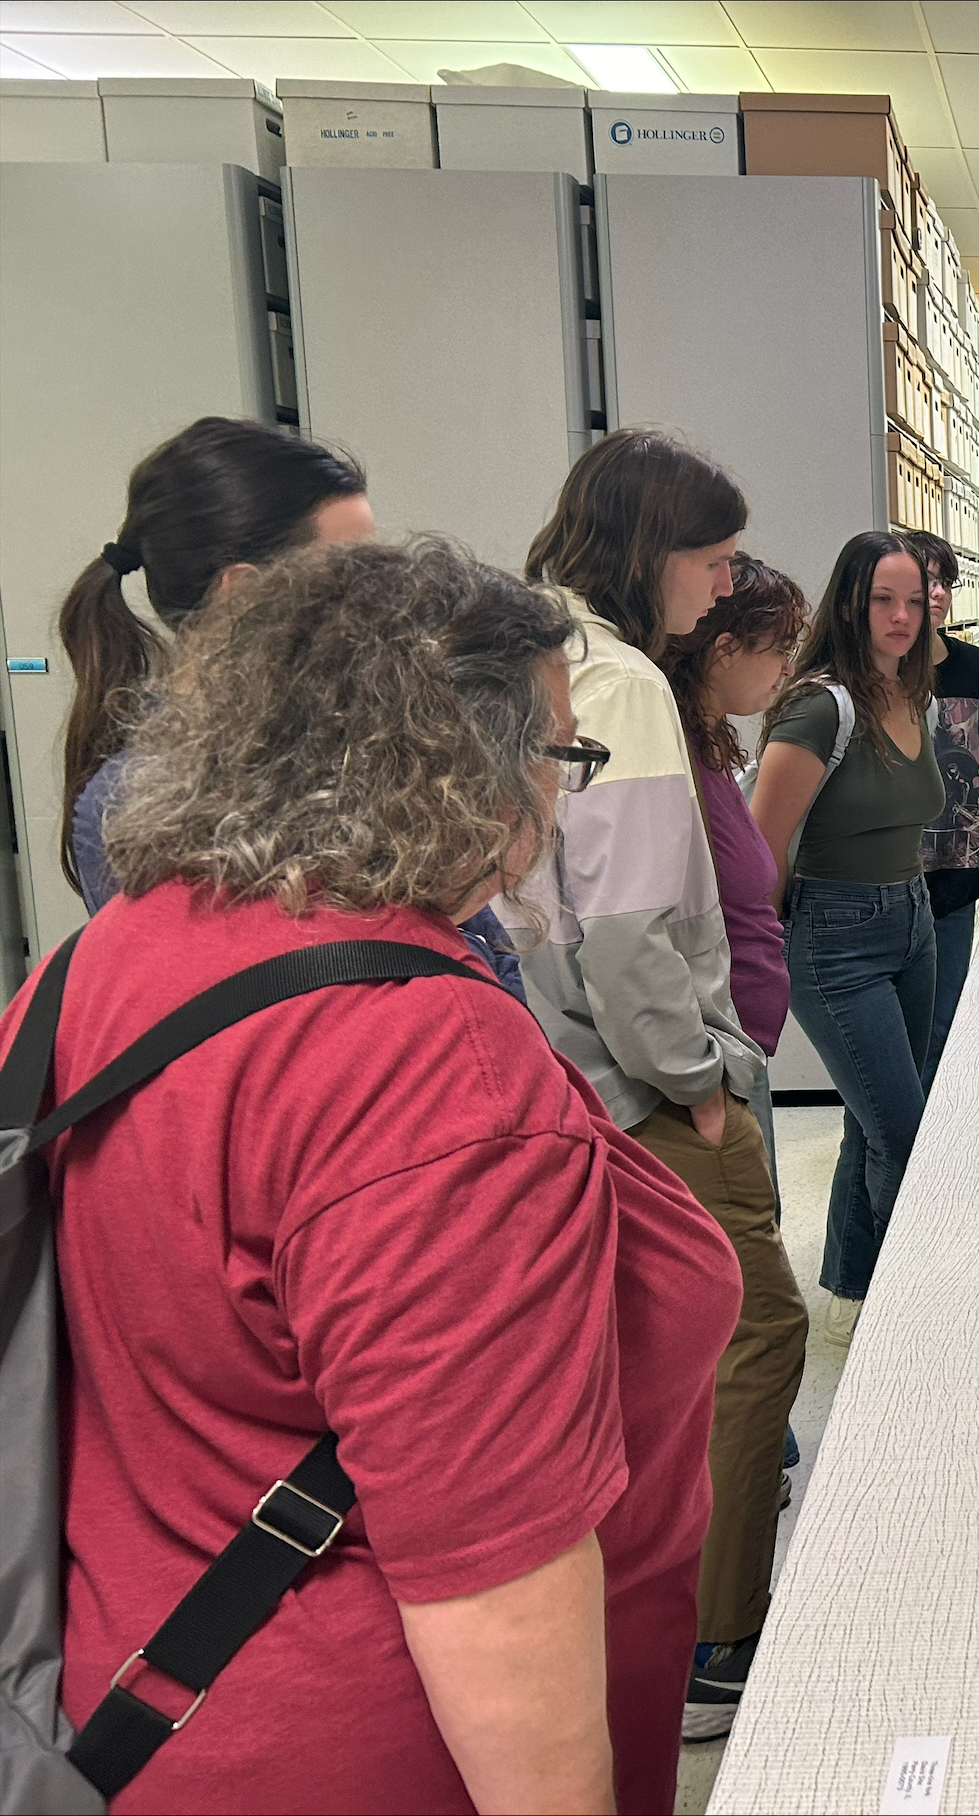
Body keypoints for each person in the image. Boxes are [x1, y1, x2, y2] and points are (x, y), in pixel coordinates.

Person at [7, 537, 740, 1814]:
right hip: (377, 1746)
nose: (564, 794)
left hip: (132, 1698)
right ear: (466, 767)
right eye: (561, 754)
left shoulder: (107, 954)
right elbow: (491, 1586)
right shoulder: (428, 1068)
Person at [501, 430, 807, 1740]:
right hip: (650, 1085)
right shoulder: (619, 683)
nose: (725, 585)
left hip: (575, 1068)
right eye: (715, 556)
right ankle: (716, 1641)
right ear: (654, 549)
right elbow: (627, 924)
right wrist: (696, 1078)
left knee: (655, 1353)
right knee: (756, 1337)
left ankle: (668, 1624)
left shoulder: (543, 655)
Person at [57, 416, 525, 997]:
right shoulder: (133, 799)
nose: (385, 600)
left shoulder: (357, 735)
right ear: (245, 592)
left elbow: (472, 936)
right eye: (351, 573)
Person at [750, 531, 942, 1349]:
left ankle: (855, 1287)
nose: (901, 617)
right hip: (837, 939)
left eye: (914, 599)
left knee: (873, 1122)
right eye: (881, 601)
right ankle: (913, 1312)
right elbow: (764, 848)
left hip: (913, 921)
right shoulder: (820, 705)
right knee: (903, 1131)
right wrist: (757, 967)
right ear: (849, 606)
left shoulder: (913, 694)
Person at [657, 553, 806, 1186]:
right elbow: (637, 934)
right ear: (724, 650)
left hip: (739, 1049)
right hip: (713, 1064)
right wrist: (701, 1084)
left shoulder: (712, 747)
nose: (787, 669)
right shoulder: (676, 758)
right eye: (777, 650)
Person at [899, 529, 979, 1094]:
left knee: (942, 1027)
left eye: (945, 583)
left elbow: (978, 760)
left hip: (955, 875)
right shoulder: (875, 673)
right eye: (924, 581)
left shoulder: (972, 664)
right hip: (890, 882)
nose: (937, 593)